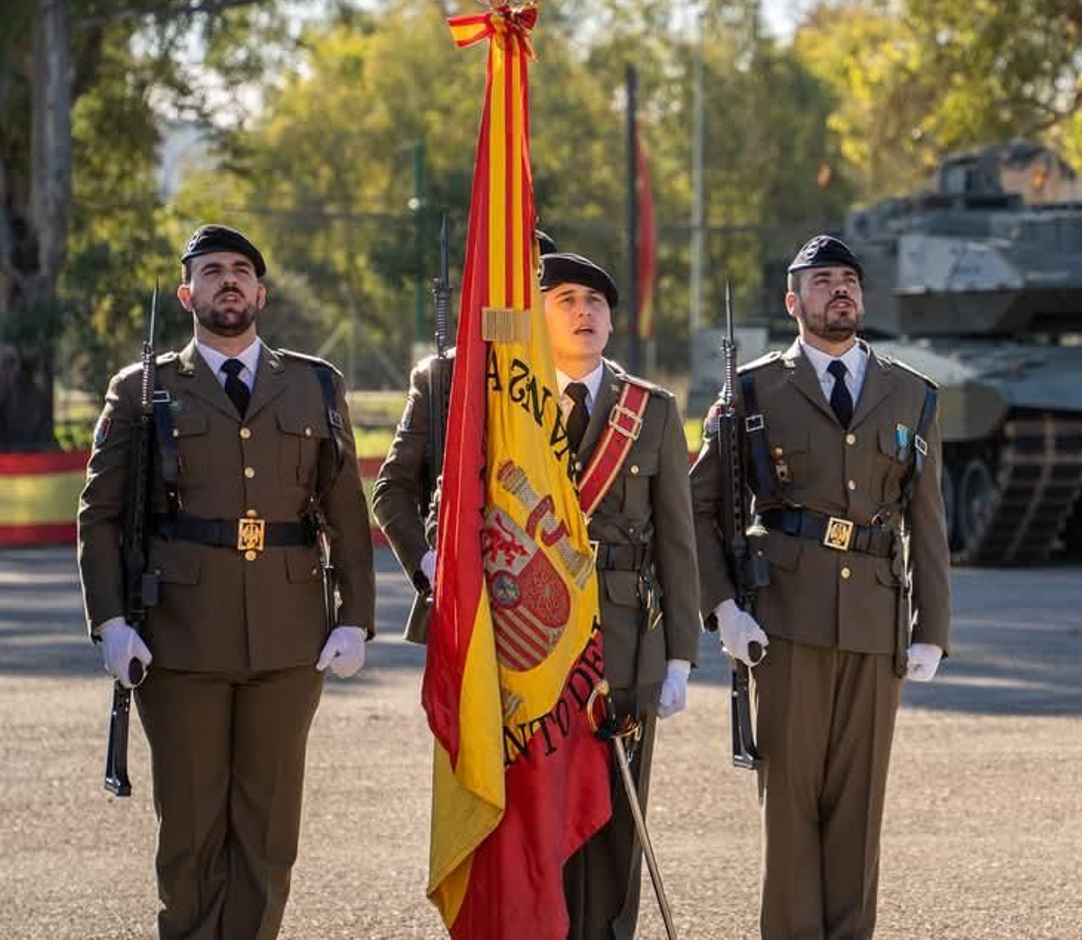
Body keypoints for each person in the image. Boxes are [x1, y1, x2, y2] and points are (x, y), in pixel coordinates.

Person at [375, 245, 699, 940]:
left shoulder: (650, 409)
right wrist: (440, 570)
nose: (583, 313)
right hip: (517, 644)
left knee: (612, 824)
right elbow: (409, 493)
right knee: (526, 822)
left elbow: (677, 538)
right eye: (565, 301)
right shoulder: (476, 391)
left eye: (595, 302)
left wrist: (679, 656)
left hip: (621, 642)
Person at [77, 223, 375, 940]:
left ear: (261, 293)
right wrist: (111, 621)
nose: (229, 280)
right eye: (212, 271)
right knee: (190, 830)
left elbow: (346, 511)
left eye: (242, 270)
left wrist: (354, 616)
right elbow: (102, 514)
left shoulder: (314, 383)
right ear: (188, 294)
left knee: (268, 836)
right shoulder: (142, 388)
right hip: (180, 639)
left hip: (289, 639)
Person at [689, 234, 951, 939]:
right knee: (790, 807)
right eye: (823, 280)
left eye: (849, 280)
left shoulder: (911, 393)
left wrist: (932, 629)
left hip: (874, 621)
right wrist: (723, 607)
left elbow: (927, 522)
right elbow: (699, 506)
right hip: (784, 618)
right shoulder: (752, 390)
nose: (840, 290)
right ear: (792, 301)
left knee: (859, 811)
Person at [373, 229, 556, 642]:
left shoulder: (570, 377)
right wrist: (428, 563)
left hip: (552, 602)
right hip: (463, 606)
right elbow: (391, 489)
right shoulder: (441, 376)